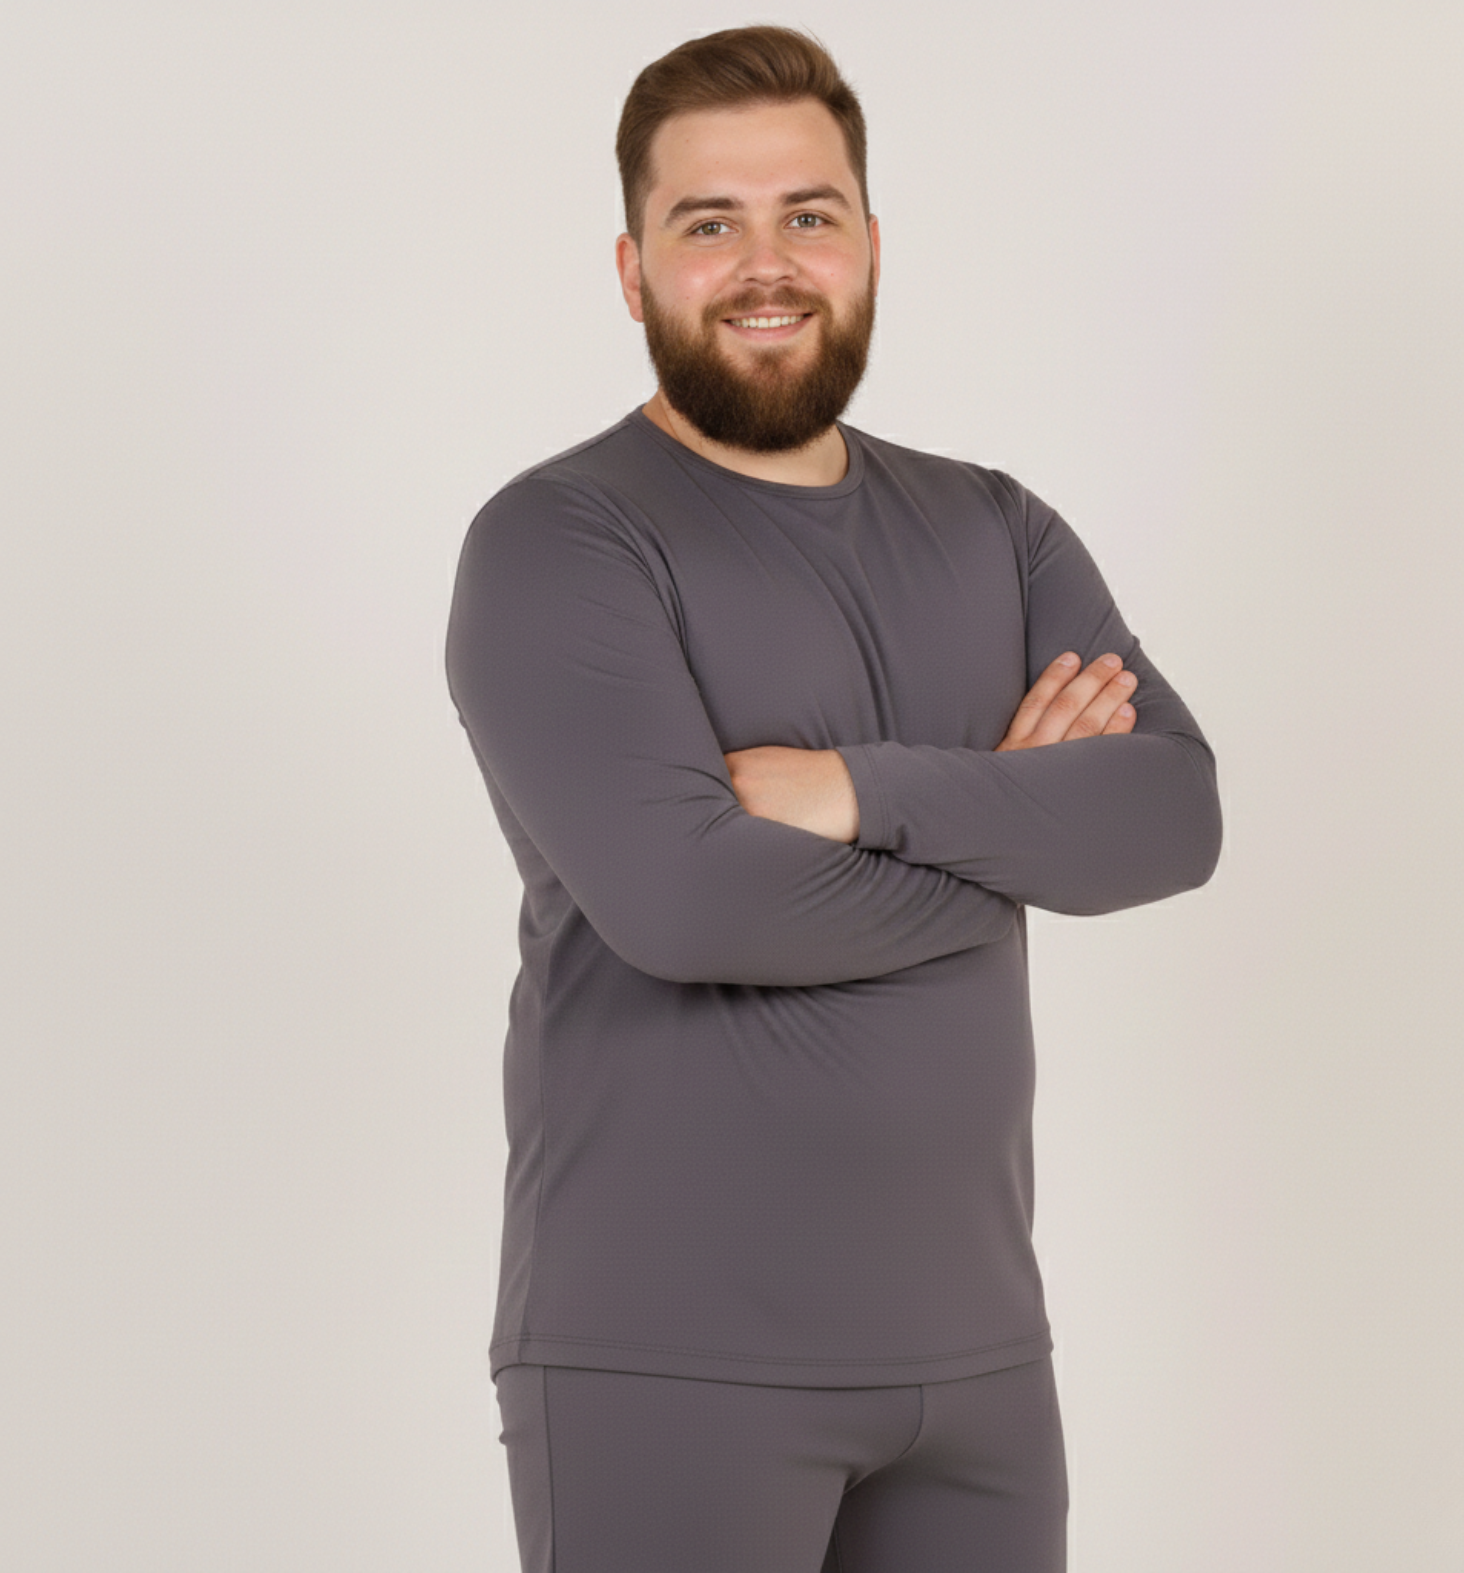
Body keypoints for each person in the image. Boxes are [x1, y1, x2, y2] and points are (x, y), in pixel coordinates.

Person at [445, 24, 1221, 1573]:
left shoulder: (998, 529)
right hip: (668, 1363)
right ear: (632, 270)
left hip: (983, 1367)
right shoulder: (562, 542)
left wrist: (859, 789)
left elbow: (1171, 820)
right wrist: (1017, 834)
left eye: (807, 214)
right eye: (708, 223)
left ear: (870, 243)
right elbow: (690, 904)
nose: (767, 264)